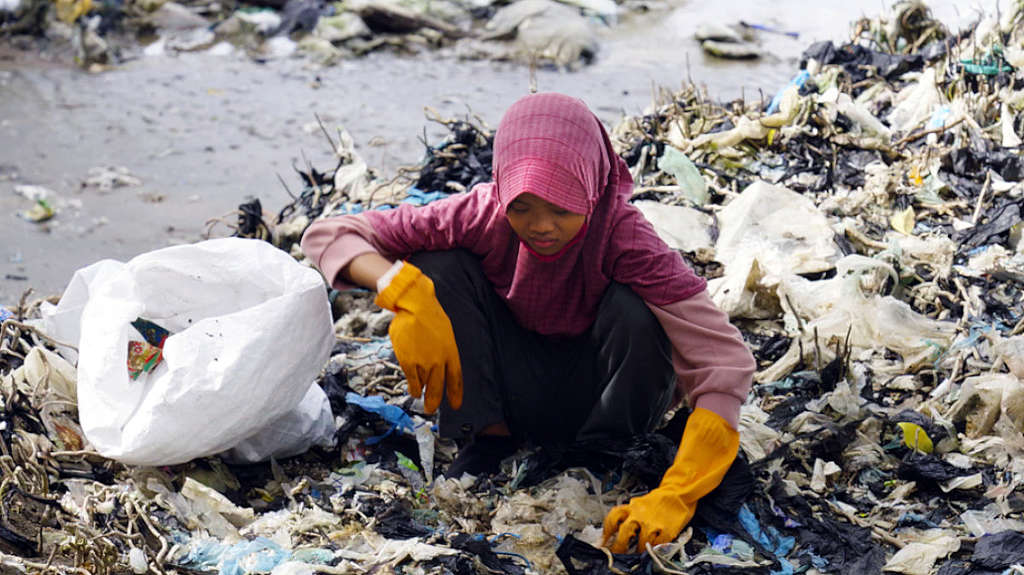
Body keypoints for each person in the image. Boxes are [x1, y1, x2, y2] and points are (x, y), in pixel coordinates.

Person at [301, 92, 755, 553]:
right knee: (439, 265)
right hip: (511, 396)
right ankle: (486, 437)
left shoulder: (624, 236)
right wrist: (400, 290)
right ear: (501, 189)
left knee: (636, 309)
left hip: (600, 397)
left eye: (561, 209)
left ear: (593, 190)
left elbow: (724, 361)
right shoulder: (481, 214)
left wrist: (678, 494)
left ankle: (601, 453)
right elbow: (330, 233)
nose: (541, 226)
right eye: (522, 207)